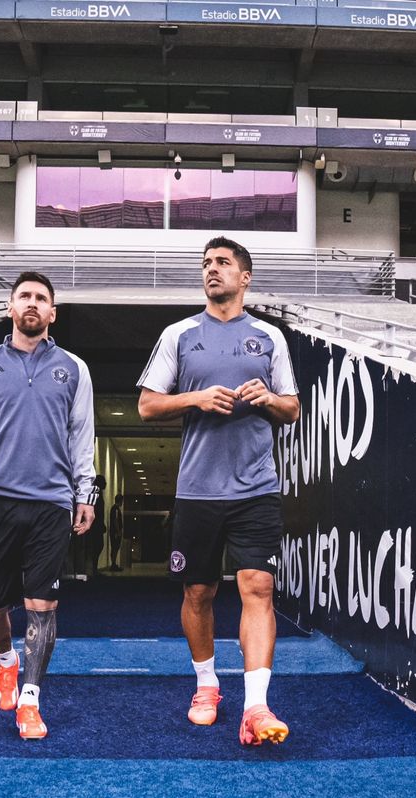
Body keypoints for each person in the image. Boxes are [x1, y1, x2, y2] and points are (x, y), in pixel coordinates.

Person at [137, 236, 300, 746]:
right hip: (198, 490)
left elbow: (292, 408)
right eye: (207, 263)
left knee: (258, 587)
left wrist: (268, 398)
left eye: (223, 263)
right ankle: (207, 685)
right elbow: (147, 405)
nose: (212, 269)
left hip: (256, 487)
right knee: (198, 592)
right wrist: (197, 398)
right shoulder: (179, 334)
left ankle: (256, 706)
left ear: (244, 277)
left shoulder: (269, 337)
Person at [0, 271, 97, 740]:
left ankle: (30, 700)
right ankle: (6, 661)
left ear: (52, 313)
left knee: (42, 604)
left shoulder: (74, 369)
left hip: (51, 502)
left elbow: (81, 435)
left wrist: (84, 492)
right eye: (24, 296)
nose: (32, 303)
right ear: (10, 308)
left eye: (41, 298)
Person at [90, 474, 107, 574]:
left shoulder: (98, 494)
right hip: (95, 525)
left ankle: (94, 569)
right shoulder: (96, 495)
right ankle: (93, 569)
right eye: (104, 482)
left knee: (98, 546)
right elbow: (97, 511)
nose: (106, 484)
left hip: (97, 525)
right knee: (97, 546)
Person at [108, 493, 124, 571]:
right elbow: (115, 520)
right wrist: (118, 531)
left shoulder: (115, 509)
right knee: (115, 547)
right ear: (120, 501)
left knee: (114, 547)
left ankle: (113, 564)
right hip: (115, 532)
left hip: (114, 532)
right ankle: (113, 564)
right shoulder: (115, 509)